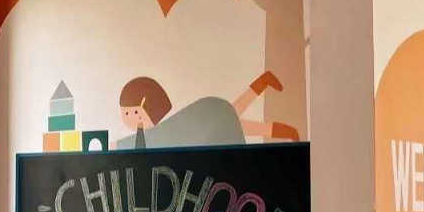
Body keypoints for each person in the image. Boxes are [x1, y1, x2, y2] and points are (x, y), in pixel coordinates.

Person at [116, 72, 300, 150]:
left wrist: (113, 145)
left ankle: (286, 130)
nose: (128, 118)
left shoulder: (159, 132)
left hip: (211, 113)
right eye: (125, 113)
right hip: (213, 114)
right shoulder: (160, 130)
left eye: (132, 112)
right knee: (238, 117)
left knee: (236, 115)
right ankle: (287, 130)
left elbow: (132, 144)